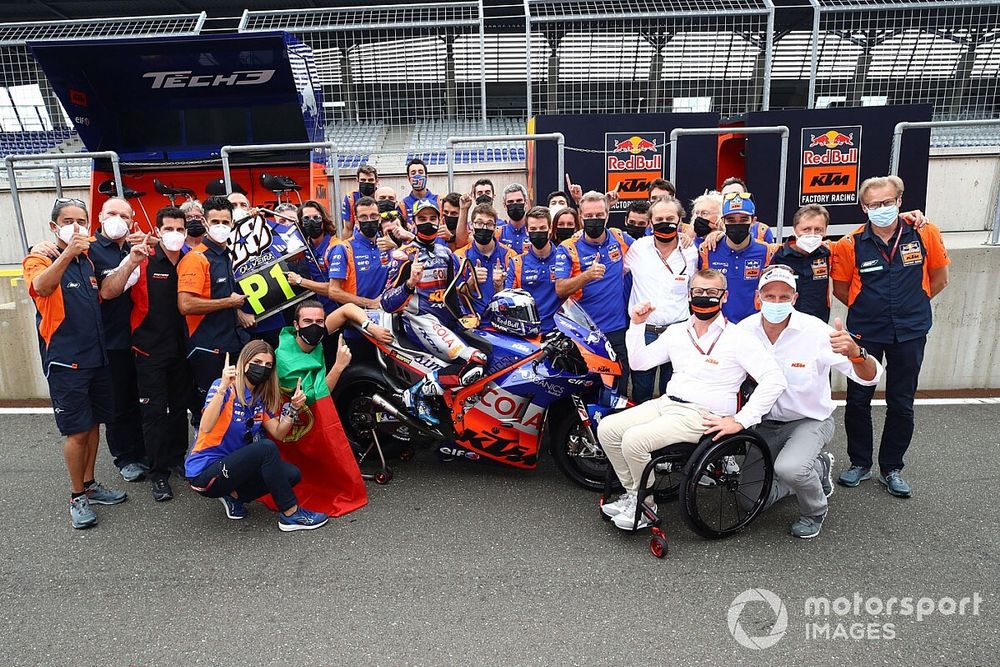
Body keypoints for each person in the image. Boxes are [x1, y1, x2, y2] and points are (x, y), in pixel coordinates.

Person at [596, 269, 787, 530]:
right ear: (689, 295)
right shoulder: (677, 332)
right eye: (698, 291)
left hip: (704, 414)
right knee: (607, 429)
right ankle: (635, 495)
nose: (704, 297)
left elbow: (775, 379)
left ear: (724, 296)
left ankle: (644, 503)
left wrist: (741, 421)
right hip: (668, 403)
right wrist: (637, 324)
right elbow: (640, 364)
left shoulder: (739, 338)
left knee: (634, 440)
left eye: (712, 292)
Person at [738, 265, 882, 538]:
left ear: (795, 298)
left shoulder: (816, 331)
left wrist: (856, 352)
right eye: (770, 296)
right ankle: (813, 469)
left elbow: (868, 377)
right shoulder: (743, 331)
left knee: (789, 467)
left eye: (784, 297)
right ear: (758, 298)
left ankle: (814, 510)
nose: (776, 303)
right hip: (766, 424)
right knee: (749, 500)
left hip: (809, 420)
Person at [831, 175, 950, 498]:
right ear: (863, 207)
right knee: (857, 400)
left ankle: (892, 467)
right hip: (865, 331)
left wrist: (912, 305)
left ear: (899, 201)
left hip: (910, 330)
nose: (881, 209)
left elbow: (939, 278)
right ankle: (859, 463)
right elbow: (842, 289)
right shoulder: (849, 244)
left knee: (901, 401)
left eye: (887, 203)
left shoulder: (925, 233)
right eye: (873, 205)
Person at [23, 198, 128, 528]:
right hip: (66, 361)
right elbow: (41, 287)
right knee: (76, 432)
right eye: (68, 220)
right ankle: (76, 496)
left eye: (81, 220)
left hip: (96, 357)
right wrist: (67, 253)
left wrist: (131, 260)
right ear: (54, 226)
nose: (76, 226)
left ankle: (90, 484)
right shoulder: (42, 256)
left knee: (95, 423)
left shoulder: (87, 260)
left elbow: (108, 291)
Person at [185, 340, 329, 531]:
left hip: (231, 468)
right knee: (266, 449)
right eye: (258, 362)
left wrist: (294, 408)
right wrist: (221, 390)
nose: (263, 368)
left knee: (292, 474)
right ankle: (291, 514)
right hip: (204, 473)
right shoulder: (225, 387)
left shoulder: (258, 399)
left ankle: (233, 494)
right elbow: (205, 426)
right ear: (244, 363)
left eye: (268, 365)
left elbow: (279, 432)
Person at [269, 300, 391, 515]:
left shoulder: (313, 334)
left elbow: (346, 309)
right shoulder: (286, 360)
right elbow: (316, 398)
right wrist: (339, 365)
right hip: (297, 419)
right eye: (308, 321)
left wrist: (371, 328)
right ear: (296, 325)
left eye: (319, 321)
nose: (314, 326)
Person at [381, 199, 487, 424]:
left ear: (439, 221)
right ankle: (415, 393)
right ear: (413, 222)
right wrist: (410, 283)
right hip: (419, 321)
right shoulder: (403, 255)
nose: (427, 223)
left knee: (488, 352)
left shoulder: (446, 253)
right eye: (422, 219)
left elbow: (456, 292)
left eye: (432, 219)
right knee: (475, 360)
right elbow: (386, 303)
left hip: (445, 322)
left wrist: (467, 316)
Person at [115, 206, 193, 501]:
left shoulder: (190, 260)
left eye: (179, 229)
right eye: (168, 228)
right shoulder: (143, 260)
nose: (175, 234)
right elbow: (111, 290)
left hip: (182, 350)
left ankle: (177, 458)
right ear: (158, 231)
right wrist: (129, 262)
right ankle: (158, 474)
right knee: (154, 414)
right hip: (149, 351)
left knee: (179, 410)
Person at [79, 198, 150, 483]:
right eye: (112, 213)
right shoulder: (89, 250)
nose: (117, 219)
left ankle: (143, 450)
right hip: (109, 340)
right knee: (118, 404)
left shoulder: (136, 245)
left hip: (140, 337)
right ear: (100, 216)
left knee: (140, 400)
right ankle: (125, 457)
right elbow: (107, 292)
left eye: (124, 215)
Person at [177, 196, 252, 421]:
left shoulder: (232, 255)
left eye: (225, 222)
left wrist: (237, 311)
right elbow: (186, 305)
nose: (221, 226)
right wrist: (230, 303)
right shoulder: (196, 258)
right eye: (215, 221)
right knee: (209, 412)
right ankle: (205, 456)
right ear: (205, 223)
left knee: (235, 408)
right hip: (207, 349)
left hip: (234, 343)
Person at [553, 191, 632, 395]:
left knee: (618, 391)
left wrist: (685, 236)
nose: (594, 220)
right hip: (583, 334)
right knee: (584, 392)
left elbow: (653, 245)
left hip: (616, 331)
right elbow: (560, 289)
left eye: (599, 216)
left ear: (607, 215)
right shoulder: (568, 247)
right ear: (581, 217)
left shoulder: (619, 237)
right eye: (589, 217)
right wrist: (586, 276)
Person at [624, 196, 698, 402]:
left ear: (679, 219)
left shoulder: (691, 251)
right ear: (650, 223)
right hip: (645, 332)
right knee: (641, 392)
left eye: (670, 217)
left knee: (673, 392)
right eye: (659, 219)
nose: (664, 222)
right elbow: (616, 272)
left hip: (678, 332)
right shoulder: (638, 248)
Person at [698, 192, 773, 323]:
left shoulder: (767, 251)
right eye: (731, 220)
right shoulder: (707, 250)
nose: (737, 224)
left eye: (743, 220)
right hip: (719, 327)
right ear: (723, 221)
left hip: (755, 328)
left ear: (753, 221)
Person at [767, 204, 834, 322]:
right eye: (806, 229)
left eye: (818, 229)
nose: (812, 234)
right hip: (783, 325)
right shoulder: (775, 253)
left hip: (817, 325)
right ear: (794, 230)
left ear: (825, 231)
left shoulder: (830, 252)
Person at [505, 206, 563, 332]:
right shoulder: (517, 262)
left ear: (550, 229)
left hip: (559, 332)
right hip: (527, 332)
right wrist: (498, 284)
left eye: (542, 228)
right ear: (526, 231)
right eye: (533, 229)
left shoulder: (563, 257)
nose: (538, 232)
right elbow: (508, 298)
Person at [456, 204, 520, 315]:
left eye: (489, 224)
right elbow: (457, 300)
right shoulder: (460, 256)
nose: (484, 228)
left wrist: (499, 286)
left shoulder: (510, 256)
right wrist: (471, 282)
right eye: (479, 223)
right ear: (472, 226)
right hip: (473, 324)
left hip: (503, 320)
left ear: (495, 227)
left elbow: (515, 299)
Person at [720, 178, 774, 242]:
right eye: (726, 196)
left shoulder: (762, 230)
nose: (733, 199)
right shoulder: (714, 228)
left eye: (736, 194)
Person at [341, 165, 379, 232]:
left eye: (370, 180)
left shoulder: (382, 197)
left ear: (376, 180)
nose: (367, 182)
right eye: (363, 180)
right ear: (357, 180)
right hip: (358, 237)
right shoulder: (351, 198)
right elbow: (348, 229)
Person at [496, 183, 530, 253]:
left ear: (526, 203)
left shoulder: (534, 231)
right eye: (510, 202)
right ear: (505, 206)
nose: (515, 204)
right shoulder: (498, 234)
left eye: (519, 201)